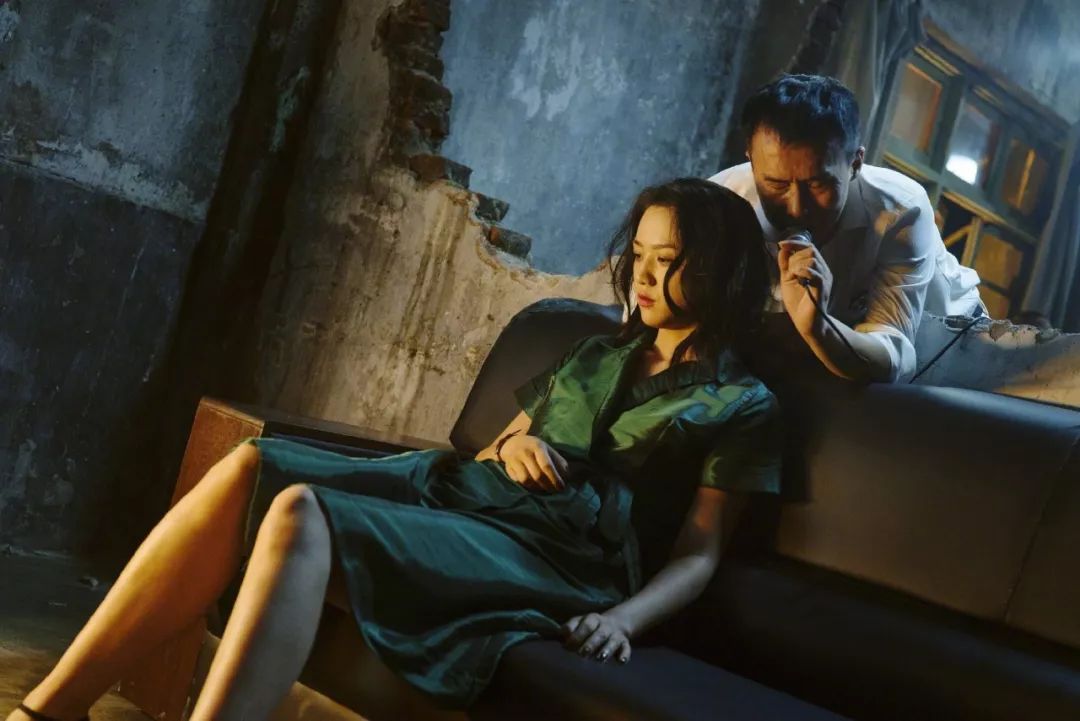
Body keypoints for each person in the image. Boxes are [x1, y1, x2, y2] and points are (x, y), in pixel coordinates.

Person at [10, 178, 783, 720]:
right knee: (251, 464)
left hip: (558, 558)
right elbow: (500, 448)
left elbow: (699, 553)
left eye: (668, 261)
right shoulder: (596, 351)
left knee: (302, 512)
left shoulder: (742, 404)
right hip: (473, 492)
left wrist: (622, 621)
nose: (644, 275)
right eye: (639, 254)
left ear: (719, 271)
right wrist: (515, 449)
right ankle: (49, 709)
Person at [710, 74, 985, 384]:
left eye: (818, 185)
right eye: (776, 184)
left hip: (952, 341)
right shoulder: (719, 204)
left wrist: (818, 327)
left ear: (856, 163)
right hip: (841, 346)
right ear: (750, 160)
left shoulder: (900, 209)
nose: (796, 208)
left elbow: (893, 354)